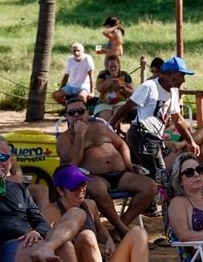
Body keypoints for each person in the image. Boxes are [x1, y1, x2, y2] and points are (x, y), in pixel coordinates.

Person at [44, 165, 161, 262]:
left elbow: (100, 229)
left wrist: (108, 240)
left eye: (83, 184)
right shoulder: (51, 212)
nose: (81, 189)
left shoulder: (90, 205)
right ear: (60, 190)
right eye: (74, 187)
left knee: (139, 232)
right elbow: (45, 245)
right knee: (86, 236)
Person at [56, 100, 155, 236]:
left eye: (80, 111)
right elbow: (72, 164)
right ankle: (122, 229)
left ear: (87, 113)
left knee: (150, 186)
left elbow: (121, 144)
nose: (77, 115)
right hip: (94, 177)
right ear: (67, 116)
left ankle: (119, 227)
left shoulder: (100, 127)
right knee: (97, 189)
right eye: (72, 113)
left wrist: (128, 163)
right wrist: (80, 135)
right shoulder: (65, 138)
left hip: (121, 174)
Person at [109, 55, 203, 174]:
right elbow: (126, 107)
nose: (183, 80)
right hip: (142, 135)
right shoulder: (149, 86)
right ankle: (156, 190)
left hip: (154, 138)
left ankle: (150, 189)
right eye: (181, 75)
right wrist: (110, 126)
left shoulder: (173, 92)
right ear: (170, 73)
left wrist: (191, 142)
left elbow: (178, 120)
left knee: (154, 175)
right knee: (159, 175)